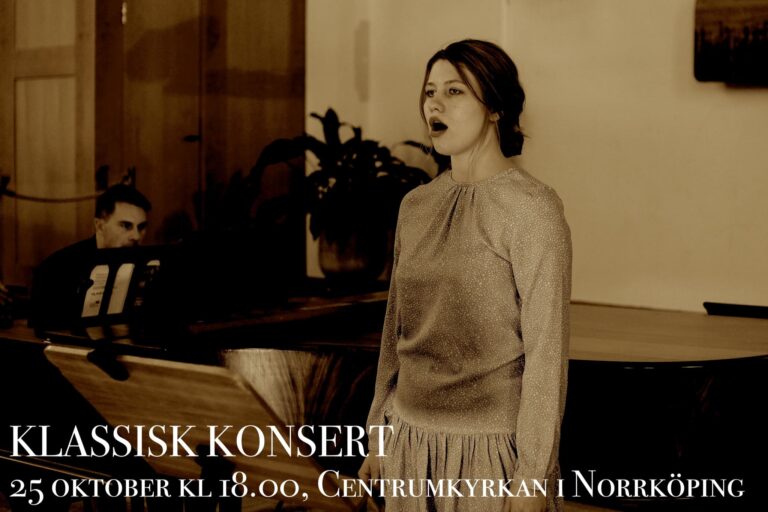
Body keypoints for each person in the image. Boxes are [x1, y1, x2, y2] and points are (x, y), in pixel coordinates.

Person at [359, 40, 572, 512]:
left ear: (495, 107)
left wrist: (533, 478)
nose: (434, 104)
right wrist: (378, 436)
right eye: (430, 91)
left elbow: (547, 355)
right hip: (408, 447)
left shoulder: (533, 210)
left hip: (490, 458)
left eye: (454, 91)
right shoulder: (415, 206)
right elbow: (395, 334)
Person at [28, 184, 151, 330]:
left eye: (141, 227)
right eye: (126, 225)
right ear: (99, 225)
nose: (136, 236)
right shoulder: (56, 269)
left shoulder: (147, 267)